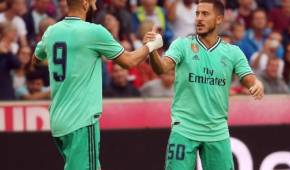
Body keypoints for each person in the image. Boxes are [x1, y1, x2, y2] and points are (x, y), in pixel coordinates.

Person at [32, 0, 163, 169]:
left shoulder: (52, 31)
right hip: (80, 120)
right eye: (93, 1)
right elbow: (129, 61)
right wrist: (152, 45)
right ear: (85, 3)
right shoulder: (93, 32)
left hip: (59, 119)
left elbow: (36, 59)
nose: (96, 4)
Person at [144, 0, 264, 169]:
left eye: (205, 14)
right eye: (197, 14)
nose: (199, 18)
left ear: (219, 19)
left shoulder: (233, 52)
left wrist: (257, 83)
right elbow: (162, 68)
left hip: (217, 131)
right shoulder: (182, 45)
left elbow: (250, 79)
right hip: (184, 129)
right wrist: (153, 50)